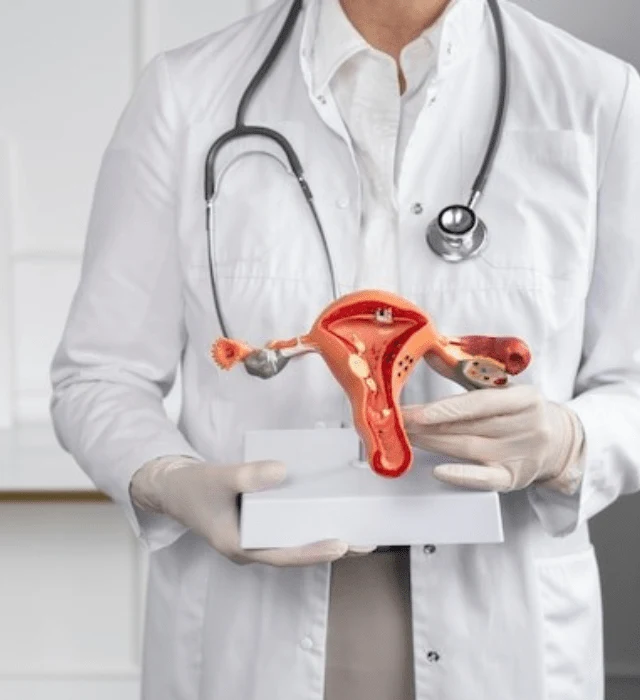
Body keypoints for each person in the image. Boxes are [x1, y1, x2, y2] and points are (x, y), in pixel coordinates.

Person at [49, 0, 640, 697]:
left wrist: (569, 442)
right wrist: (170, 479)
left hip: (501, 616)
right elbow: (98, 374)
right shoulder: (186, 95)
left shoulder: (599, 97)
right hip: (255, 615)